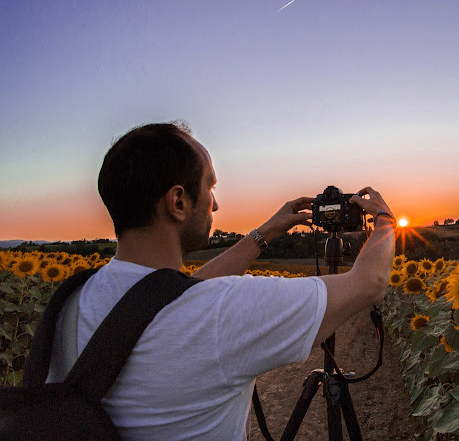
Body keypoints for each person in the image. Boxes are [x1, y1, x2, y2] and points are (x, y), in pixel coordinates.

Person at [49, 121, 396, 440]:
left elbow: (173, 295)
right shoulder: (220, 311)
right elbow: (370, 281)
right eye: (209, 186)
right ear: (179, 202)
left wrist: (266, 232)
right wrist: (384, 218)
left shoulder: (72, 303)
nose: (214, 204)